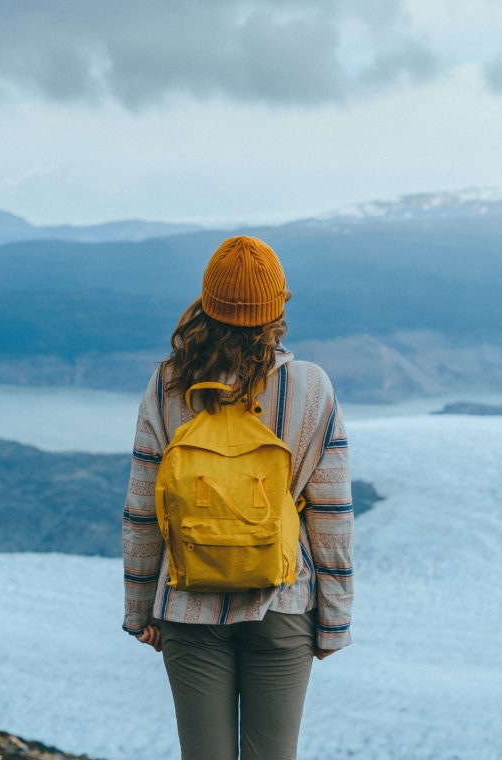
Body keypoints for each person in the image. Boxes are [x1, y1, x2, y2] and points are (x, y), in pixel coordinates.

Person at [121, 235, 354, 760]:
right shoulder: (312, 387)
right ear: (276, 310)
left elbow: (143, 510)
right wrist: (334, 621)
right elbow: (331, 515)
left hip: (186, 602)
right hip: (284, 601)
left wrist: (140, 611)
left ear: (207, 303)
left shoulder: (168, 384)